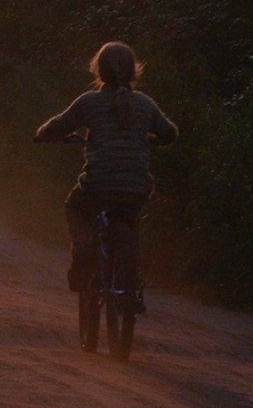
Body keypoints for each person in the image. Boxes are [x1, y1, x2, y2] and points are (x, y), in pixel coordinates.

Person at [33, 41, 178, 294]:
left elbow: (60, 125)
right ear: (134, 71)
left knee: (75, 206)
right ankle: (132, 281)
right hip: (136, 186)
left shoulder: (89, 102)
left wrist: (42, 135)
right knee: (131, 218)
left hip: (98, 185)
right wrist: (152, 139)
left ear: (98, 70)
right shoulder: (145, 104)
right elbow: (170, 133)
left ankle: (84, 252)